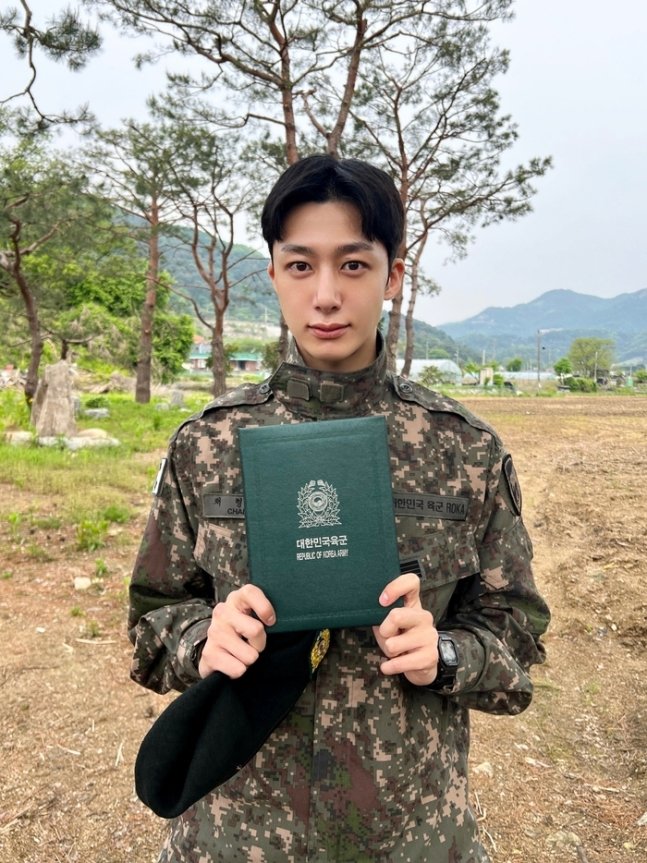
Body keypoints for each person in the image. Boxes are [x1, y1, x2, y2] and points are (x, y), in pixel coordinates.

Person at [129, 154, 550, 862]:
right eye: (300, 266)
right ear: (273, 274)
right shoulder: (207, 444)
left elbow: (519, 635)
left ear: (393, 276)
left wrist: (445, 652)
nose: (325, 296)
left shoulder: (464, 450)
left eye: (353, 265)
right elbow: (151, 619)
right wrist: (202, 638)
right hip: (237, 835)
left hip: (410, 834)